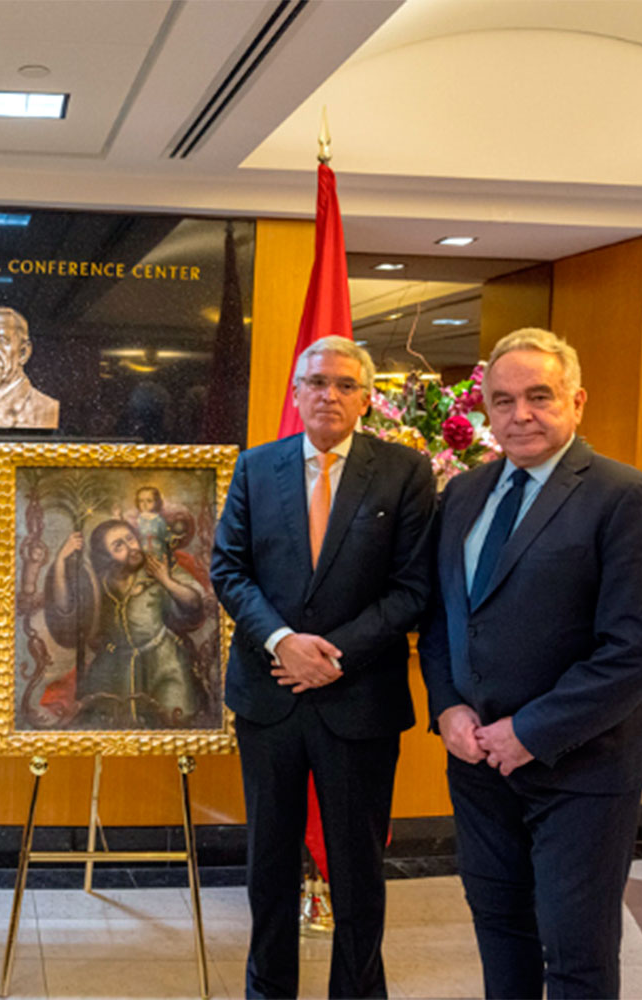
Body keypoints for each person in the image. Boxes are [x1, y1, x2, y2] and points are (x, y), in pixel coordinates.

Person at [418, 328, 642, 999]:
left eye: (540, 396)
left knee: (575, 949)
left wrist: (529, 732)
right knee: (500, 928)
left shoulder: (629, 497)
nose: (521, 414)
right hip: (479, 762)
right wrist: (447, 705)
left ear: (577, 401)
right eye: (503, 400)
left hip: (583, 765)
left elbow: (639, 646)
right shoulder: (464, 496)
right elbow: (442, 618)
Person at [211, 335, 435, 999]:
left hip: (358, 698)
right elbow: (229, 568)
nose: (328, 395)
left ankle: (359, 993)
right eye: (316, 382)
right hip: (269, 695)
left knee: (358, 868)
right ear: (296, 391)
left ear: (366, 398)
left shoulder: (403, 472)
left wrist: (331, 655)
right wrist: (283, 641)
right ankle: (268, 991)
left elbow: (414, 587)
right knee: (269, 866)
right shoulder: (257, 468)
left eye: (344, 384)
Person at [43, 517, 207, 727]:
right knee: (100, 723)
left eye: (130, 539)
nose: (131, 548)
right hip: (112, 666)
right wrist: (60, 562)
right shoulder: (97, 582)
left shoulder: (158, 566)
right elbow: (66, 607)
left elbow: (194, 604)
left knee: (177, 719)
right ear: (105, 555)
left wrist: (166, 581)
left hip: (165, 664)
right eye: (118, 546)